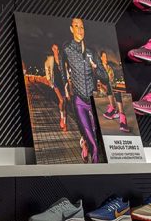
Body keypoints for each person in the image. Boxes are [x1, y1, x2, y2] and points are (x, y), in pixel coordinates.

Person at [62, 18, 108, 164]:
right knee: (95, 146)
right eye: (76, 26)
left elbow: (105, 77)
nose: (80, 30)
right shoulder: (66, 49)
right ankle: (96, 171)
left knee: (96, 139)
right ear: (71, 29)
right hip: (79, 102)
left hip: (93, 102)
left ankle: (85, 144)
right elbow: (62, 69)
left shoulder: (91, 52)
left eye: (82, 27)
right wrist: (65, 85)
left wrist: (95, 67)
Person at [100, 51, 131, 132]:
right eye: (104, 56)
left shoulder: (110, 66)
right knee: (108, 86)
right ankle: (113, 108)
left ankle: (122, 117)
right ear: (101, 58)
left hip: (116, 80)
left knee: (116, 90)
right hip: (108, 83)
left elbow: (115, 73)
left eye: (106, 56)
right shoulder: (100, 67)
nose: (106, 58)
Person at [44, 44, 67, 131]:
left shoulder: (62, 59)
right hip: (56, 83)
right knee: (61, 100)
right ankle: (61, 118)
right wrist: (49, 79)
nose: (56, 50)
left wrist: (68, 80)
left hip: (63, 83)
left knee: (65, 103)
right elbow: (46, 67)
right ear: (52, 49)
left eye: (57, 49)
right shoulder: (50, 59)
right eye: (54, 48)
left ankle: (64, 123)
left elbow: (66, 70)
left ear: (58, 50)